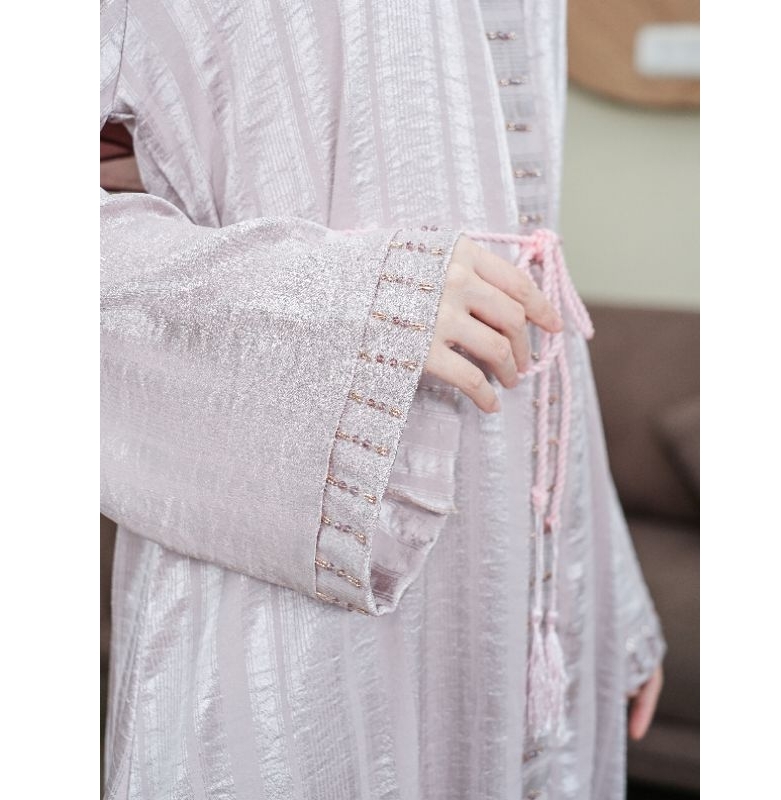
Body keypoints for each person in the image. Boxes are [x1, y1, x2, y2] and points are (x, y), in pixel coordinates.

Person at [100, 0, 666, 797]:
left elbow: (537, 285)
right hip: (295, 580)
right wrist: (357, 302)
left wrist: (601, 586)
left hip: (516, 577)